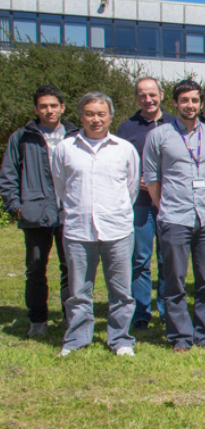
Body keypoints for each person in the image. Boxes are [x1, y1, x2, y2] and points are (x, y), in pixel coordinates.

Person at [142, 80, 205, 352]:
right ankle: (180, 337)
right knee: (174, 281)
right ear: (175, 103)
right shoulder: (159, 136)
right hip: (174, 217)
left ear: (201, 103)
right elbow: (152, 178)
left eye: (194, 100)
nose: (189, 105)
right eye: (184, 100)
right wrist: (164, 205)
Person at [51, 92, 137, 357]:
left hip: (117, 230)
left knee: (121, 292)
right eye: (90, 113)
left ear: (110, 116)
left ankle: (121, 339)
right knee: (78, 291)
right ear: (80, 116)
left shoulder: (124, 149)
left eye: (101, 114)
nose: (95, 119)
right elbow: (61, 186)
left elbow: (131, 188)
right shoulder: (65, 148)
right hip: (78, 231)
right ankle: (77, 338)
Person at [0, 85, 77, 337]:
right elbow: (8, 175)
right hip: (35, 213)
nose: (49, 110)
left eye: (54, 105)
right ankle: (38, 320)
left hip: (69, 213)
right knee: (35, 268)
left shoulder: (75, 134)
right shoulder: (22, 136)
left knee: (71, 268)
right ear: (35, 109)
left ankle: (69, 318)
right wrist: (17, 207)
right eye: (43, 106)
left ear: (62, 107)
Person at [117, 78, 177, 330]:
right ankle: (141, 312)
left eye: (152, 94)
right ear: (136, 98)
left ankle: (166, 310)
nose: (148, 99)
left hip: (170, 202)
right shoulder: (126, 128)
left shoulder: (175, 123)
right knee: (140, 259)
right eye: (142, 95)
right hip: (140, 204)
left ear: (161, 94)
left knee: (168, 259)